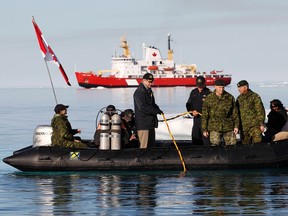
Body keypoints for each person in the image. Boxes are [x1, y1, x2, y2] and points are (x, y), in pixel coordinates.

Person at [201, 79, 239, 146]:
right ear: (215, 87)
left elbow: (235, 113)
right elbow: (205, 115)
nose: (221, 89)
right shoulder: (209, 98)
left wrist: (236, 126)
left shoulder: (230, 97)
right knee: (215, 146)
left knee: (232, 146)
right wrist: (204, 129)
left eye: (223, 87)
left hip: (228, 126)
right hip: (214, 127)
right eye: (219, 87)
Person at [133, 73, 163, 148]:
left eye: (151, 82)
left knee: (151, 146)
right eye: (149, 82)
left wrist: (158, 109)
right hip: (143, 124)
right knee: (144, 146)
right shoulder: (139, 92)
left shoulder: (148, 91)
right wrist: (154, 111)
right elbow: (142, 107)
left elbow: (151, 104)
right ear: (143, 80)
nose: (150, 84)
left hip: (150, 123)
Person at [186, 76, 212, 145]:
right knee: (195, 138)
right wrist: (192, 112)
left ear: (204, 83)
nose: (200, 87)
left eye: (201, 85)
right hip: (196, 120)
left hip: (205, 120)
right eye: (198, 85)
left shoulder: (209, 93)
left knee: (206, 139)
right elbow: (189, 104)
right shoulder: (193, 92)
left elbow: (211, 108)